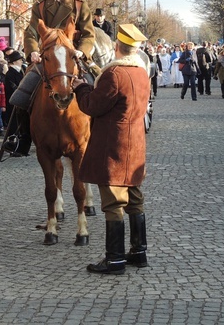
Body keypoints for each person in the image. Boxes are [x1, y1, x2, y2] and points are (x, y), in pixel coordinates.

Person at [74, 24, 151, 275]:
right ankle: (139, 252)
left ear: (117, 47)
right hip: (135, 143)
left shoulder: (114, 74)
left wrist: (81, 87)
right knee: (134, 198)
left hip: (114, 145)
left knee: (113, 202)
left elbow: (92, 106)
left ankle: (115, 259)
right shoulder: (141, 72)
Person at [23, 0, 95, 63]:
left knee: (97, 76)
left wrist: (82, 51)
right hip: (47, 56)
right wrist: (33, 51)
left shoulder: (79, 5)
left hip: (74, 54)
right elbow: (31, 33)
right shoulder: (40, 6)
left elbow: (89, 34)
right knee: (28, 78)